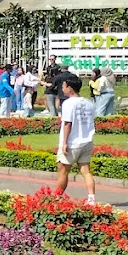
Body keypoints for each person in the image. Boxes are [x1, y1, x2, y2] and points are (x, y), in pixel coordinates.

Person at [56, 74, 97, 204]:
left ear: (70, 88)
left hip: (73, 142)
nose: (62, 89)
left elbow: (68, 123)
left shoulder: (68, 103)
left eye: (64, 86)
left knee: (63, 171)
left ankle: (56, 197)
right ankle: (91, 198)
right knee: (86, 171)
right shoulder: (88, 103)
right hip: (87, 140)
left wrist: (64, 143)